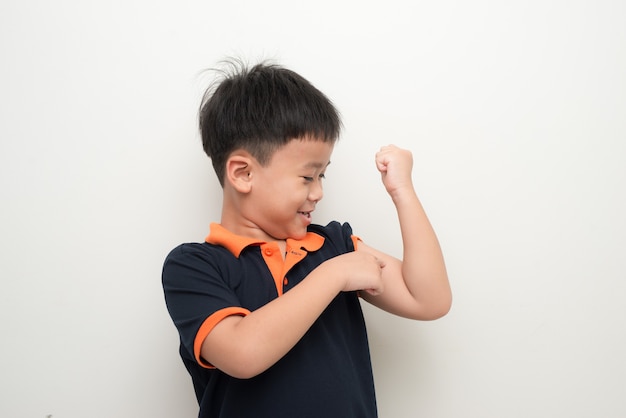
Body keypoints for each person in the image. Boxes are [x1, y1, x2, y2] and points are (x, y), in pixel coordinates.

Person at [162, 60, 452, 418]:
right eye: (307, 177)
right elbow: (242, 352)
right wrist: (335, 275)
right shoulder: (193, 266)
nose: (318, 193)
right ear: (243, 173)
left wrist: (402, 192)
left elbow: (430, 300)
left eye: (323, 176)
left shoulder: (332, 246)